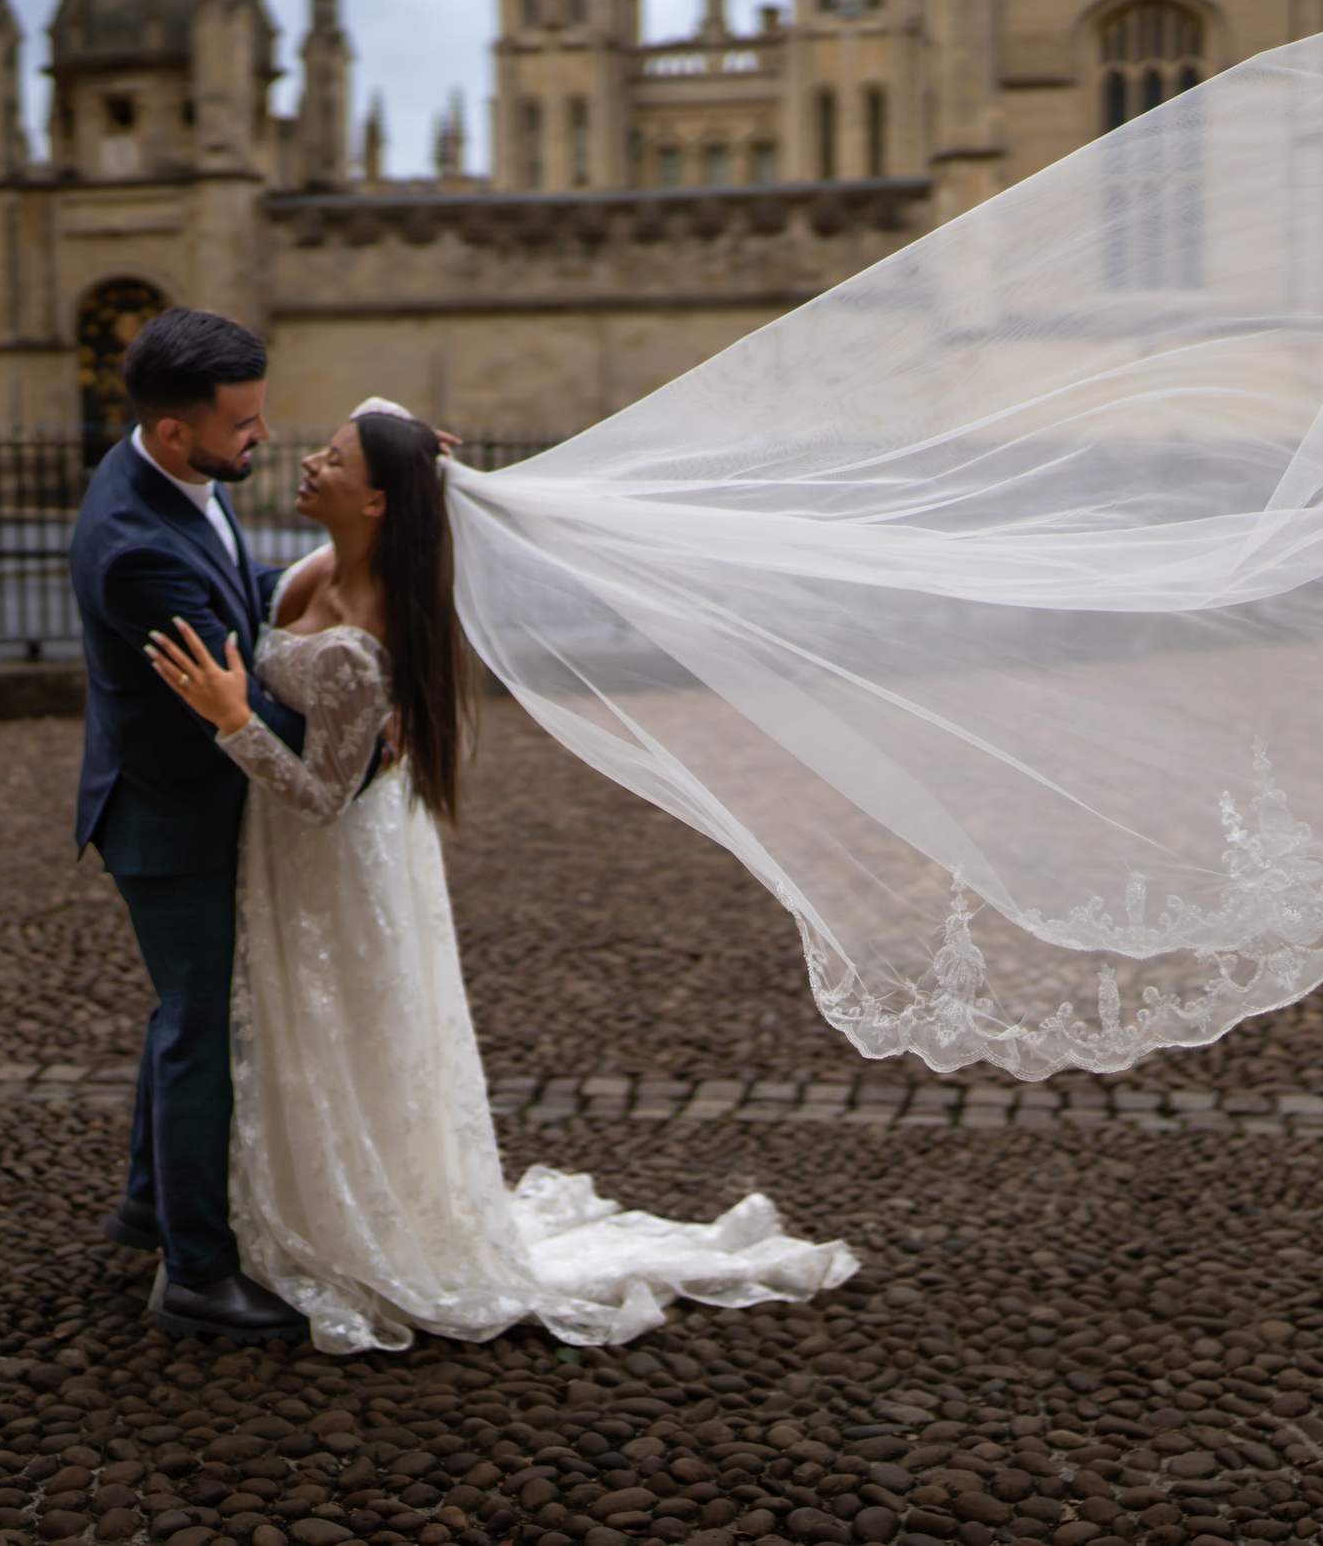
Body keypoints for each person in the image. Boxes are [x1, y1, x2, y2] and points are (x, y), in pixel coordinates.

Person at [144, 399, 856, 1352]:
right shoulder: (327, 563)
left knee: (337, 1021)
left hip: (330, 858)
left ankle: (350, 1212)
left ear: (380, 504)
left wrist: (232, 716)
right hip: (302, 850)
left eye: (337, 457)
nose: (310, 458)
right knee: (292, 1022)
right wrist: (408, 438)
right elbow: (381, 429)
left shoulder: (362, 644)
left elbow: (322, 795)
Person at [66, 308, 315, 1345]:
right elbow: (237, 695)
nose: (260, 436)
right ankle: (197, 1274)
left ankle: (144, 1203)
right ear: (176, 431)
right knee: (199, 1032)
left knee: (184, 1013)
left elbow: (244, 599)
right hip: (170, 819)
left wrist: (344, 562)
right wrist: (371, 698)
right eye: (243, 423)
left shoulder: (174, 481)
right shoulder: (133, 550)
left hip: (180, 800)